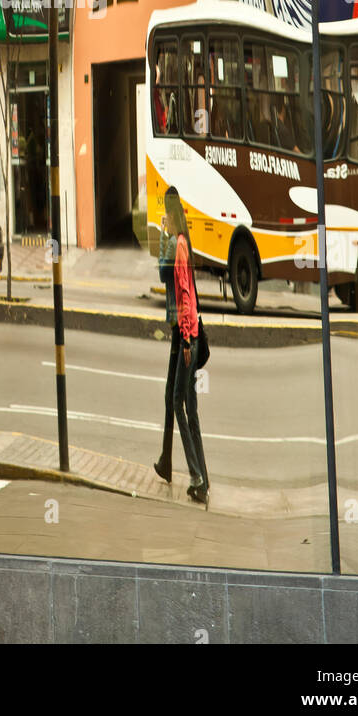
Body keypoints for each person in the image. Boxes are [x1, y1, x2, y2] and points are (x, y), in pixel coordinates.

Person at [165, 186, 209, 504]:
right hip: (191, 333)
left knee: (178, 403)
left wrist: (186, 339)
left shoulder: (179, 246)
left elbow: (184, 297)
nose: (163, 219)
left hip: (188, 337)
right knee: (191, 410)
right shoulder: (185, 243)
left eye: (165, 214)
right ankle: (203, 478)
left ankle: (195, 475)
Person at [153, 201, 181, 485]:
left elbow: (163, 273)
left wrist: (161, 238)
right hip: (179, 324)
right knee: (173, 398)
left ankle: (170, 462)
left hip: (177, 324)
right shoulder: (180, 240)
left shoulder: (173, 242)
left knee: (173, 398)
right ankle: (166, 460)